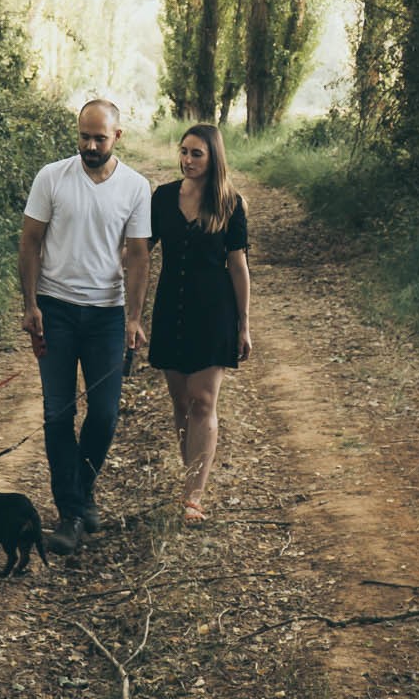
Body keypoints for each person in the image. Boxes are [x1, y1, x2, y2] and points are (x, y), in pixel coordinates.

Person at [19, 98, 151, 554]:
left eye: (99, 137)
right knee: (58, 413)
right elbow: (30, 242)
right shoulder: (51, 177)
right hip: (54, 311)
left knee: (105, 414)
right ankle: (71, 513)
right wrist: (30, 304)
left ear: (118, 136)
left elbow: (138, 255)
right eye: (84, 136)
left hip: (105, 316)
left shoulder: (135, 187)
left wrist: (133, 318)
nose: (90, 145)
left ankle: (81, 488)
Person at [147, 122, 251, 522]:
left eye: (196, 154)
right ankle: (190, 476)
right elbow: (140, 249)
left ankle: (193, 495)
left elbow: (238, 267)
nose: (187, 160)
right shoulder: (163, 198)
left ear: (213, 159)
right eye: (184, 152)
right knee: (180, 401)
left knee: (204, 400)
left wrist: (243, 325)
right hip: (172, 307)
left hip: (214, 312)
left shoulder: (230, 204)